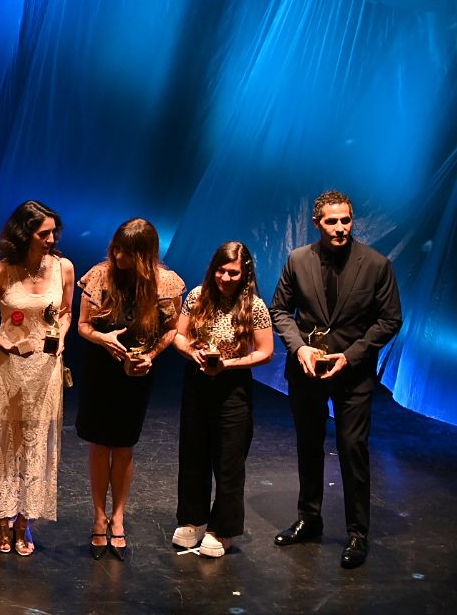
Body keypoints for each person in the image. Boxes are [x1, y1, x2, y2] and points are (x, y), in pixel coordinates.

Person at [270, 190, 402, 569]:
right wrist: (299, 348)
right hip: (308, 369)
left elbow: (390, 319)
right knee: (309, 445)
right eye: (333, 221)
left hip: (353, 373)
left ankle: (357, 532)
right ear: (318, 223)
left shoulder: (376, 264)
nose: (341, 227)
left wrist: (352, 354)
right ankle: (309, 519)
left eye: (346, 220)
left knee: (352, 448)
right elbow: (280, 309)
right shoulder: (298, 260)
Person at [75, 218, 184, 561]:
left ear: (143, 254)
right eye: (116, 247)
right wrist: (101, 338)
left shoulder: (165, 283)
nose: (118, 255)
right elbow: (81, 326)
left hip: (136, 370)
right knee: (98, 443)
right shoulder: (100, 275)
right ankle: (98, 515)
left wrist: (151, 355)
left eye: (126, 251)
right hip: (101, 368)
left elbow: (172, 328)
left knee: (123, 446)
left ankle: (118, 517)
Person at [0, 201, 73, 558]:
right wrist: (4, 341)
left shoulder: (63, 267)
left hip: (46, 368)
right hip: (9, 366)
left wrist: (62, 336)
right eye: (42, 233)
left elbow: (65, 314)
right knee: (5, 441)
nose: (50, 239)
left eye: (53, 232)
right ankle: (0, 519)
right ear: (24, 234)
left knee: (36, 442)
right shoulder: (0, 272)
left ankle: (24, 520)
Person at [171, 241, 274, 559]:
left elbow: (265, 351)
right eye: (221, 270)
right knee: (193, 455)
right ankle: (194, 519)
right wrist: (193, 352)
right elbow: (179, 334)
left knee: (229, 461)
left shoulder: (253, 306)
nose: (225, 278)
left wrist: (227, 364)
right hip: (198, 380)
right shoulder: (197, 297)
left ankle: (222, 528)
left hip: (232, 386)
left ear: (245, 274)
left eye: (233, 272)